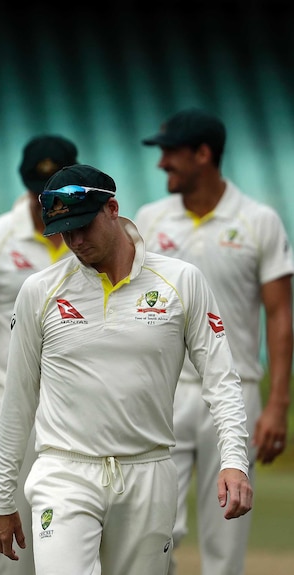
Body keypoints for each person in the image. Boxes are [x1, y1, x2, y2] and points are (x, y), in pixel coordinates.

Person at [0, 164, 253, 574]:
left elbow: (221, 379)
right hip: (65, 471)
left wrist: (234, 461)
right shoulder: (40, 291)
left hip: (149, 472)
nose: (74, 241)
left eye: (82, 226)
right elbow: (18, 398)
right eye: (63, 231)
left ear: (112, 209)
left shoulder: (181, 281)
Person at [136, 108, 294, 575]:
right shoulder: (149, 219)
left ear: (203, 154)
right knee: (154, 535)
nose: (162, 163)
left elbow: (280, 312)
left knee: (225, 544)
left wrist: (277, 404)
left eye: (171, 153)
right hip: (163, 392)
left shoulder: (258, 220)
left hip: (234, 391)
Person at [0, 134, 77, 575]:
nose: (44, 201)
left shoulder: (95, 236)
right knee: (13, 545)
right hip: (13, 402)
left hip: (85, 408)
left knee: (83, 542)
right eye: (37, 190)